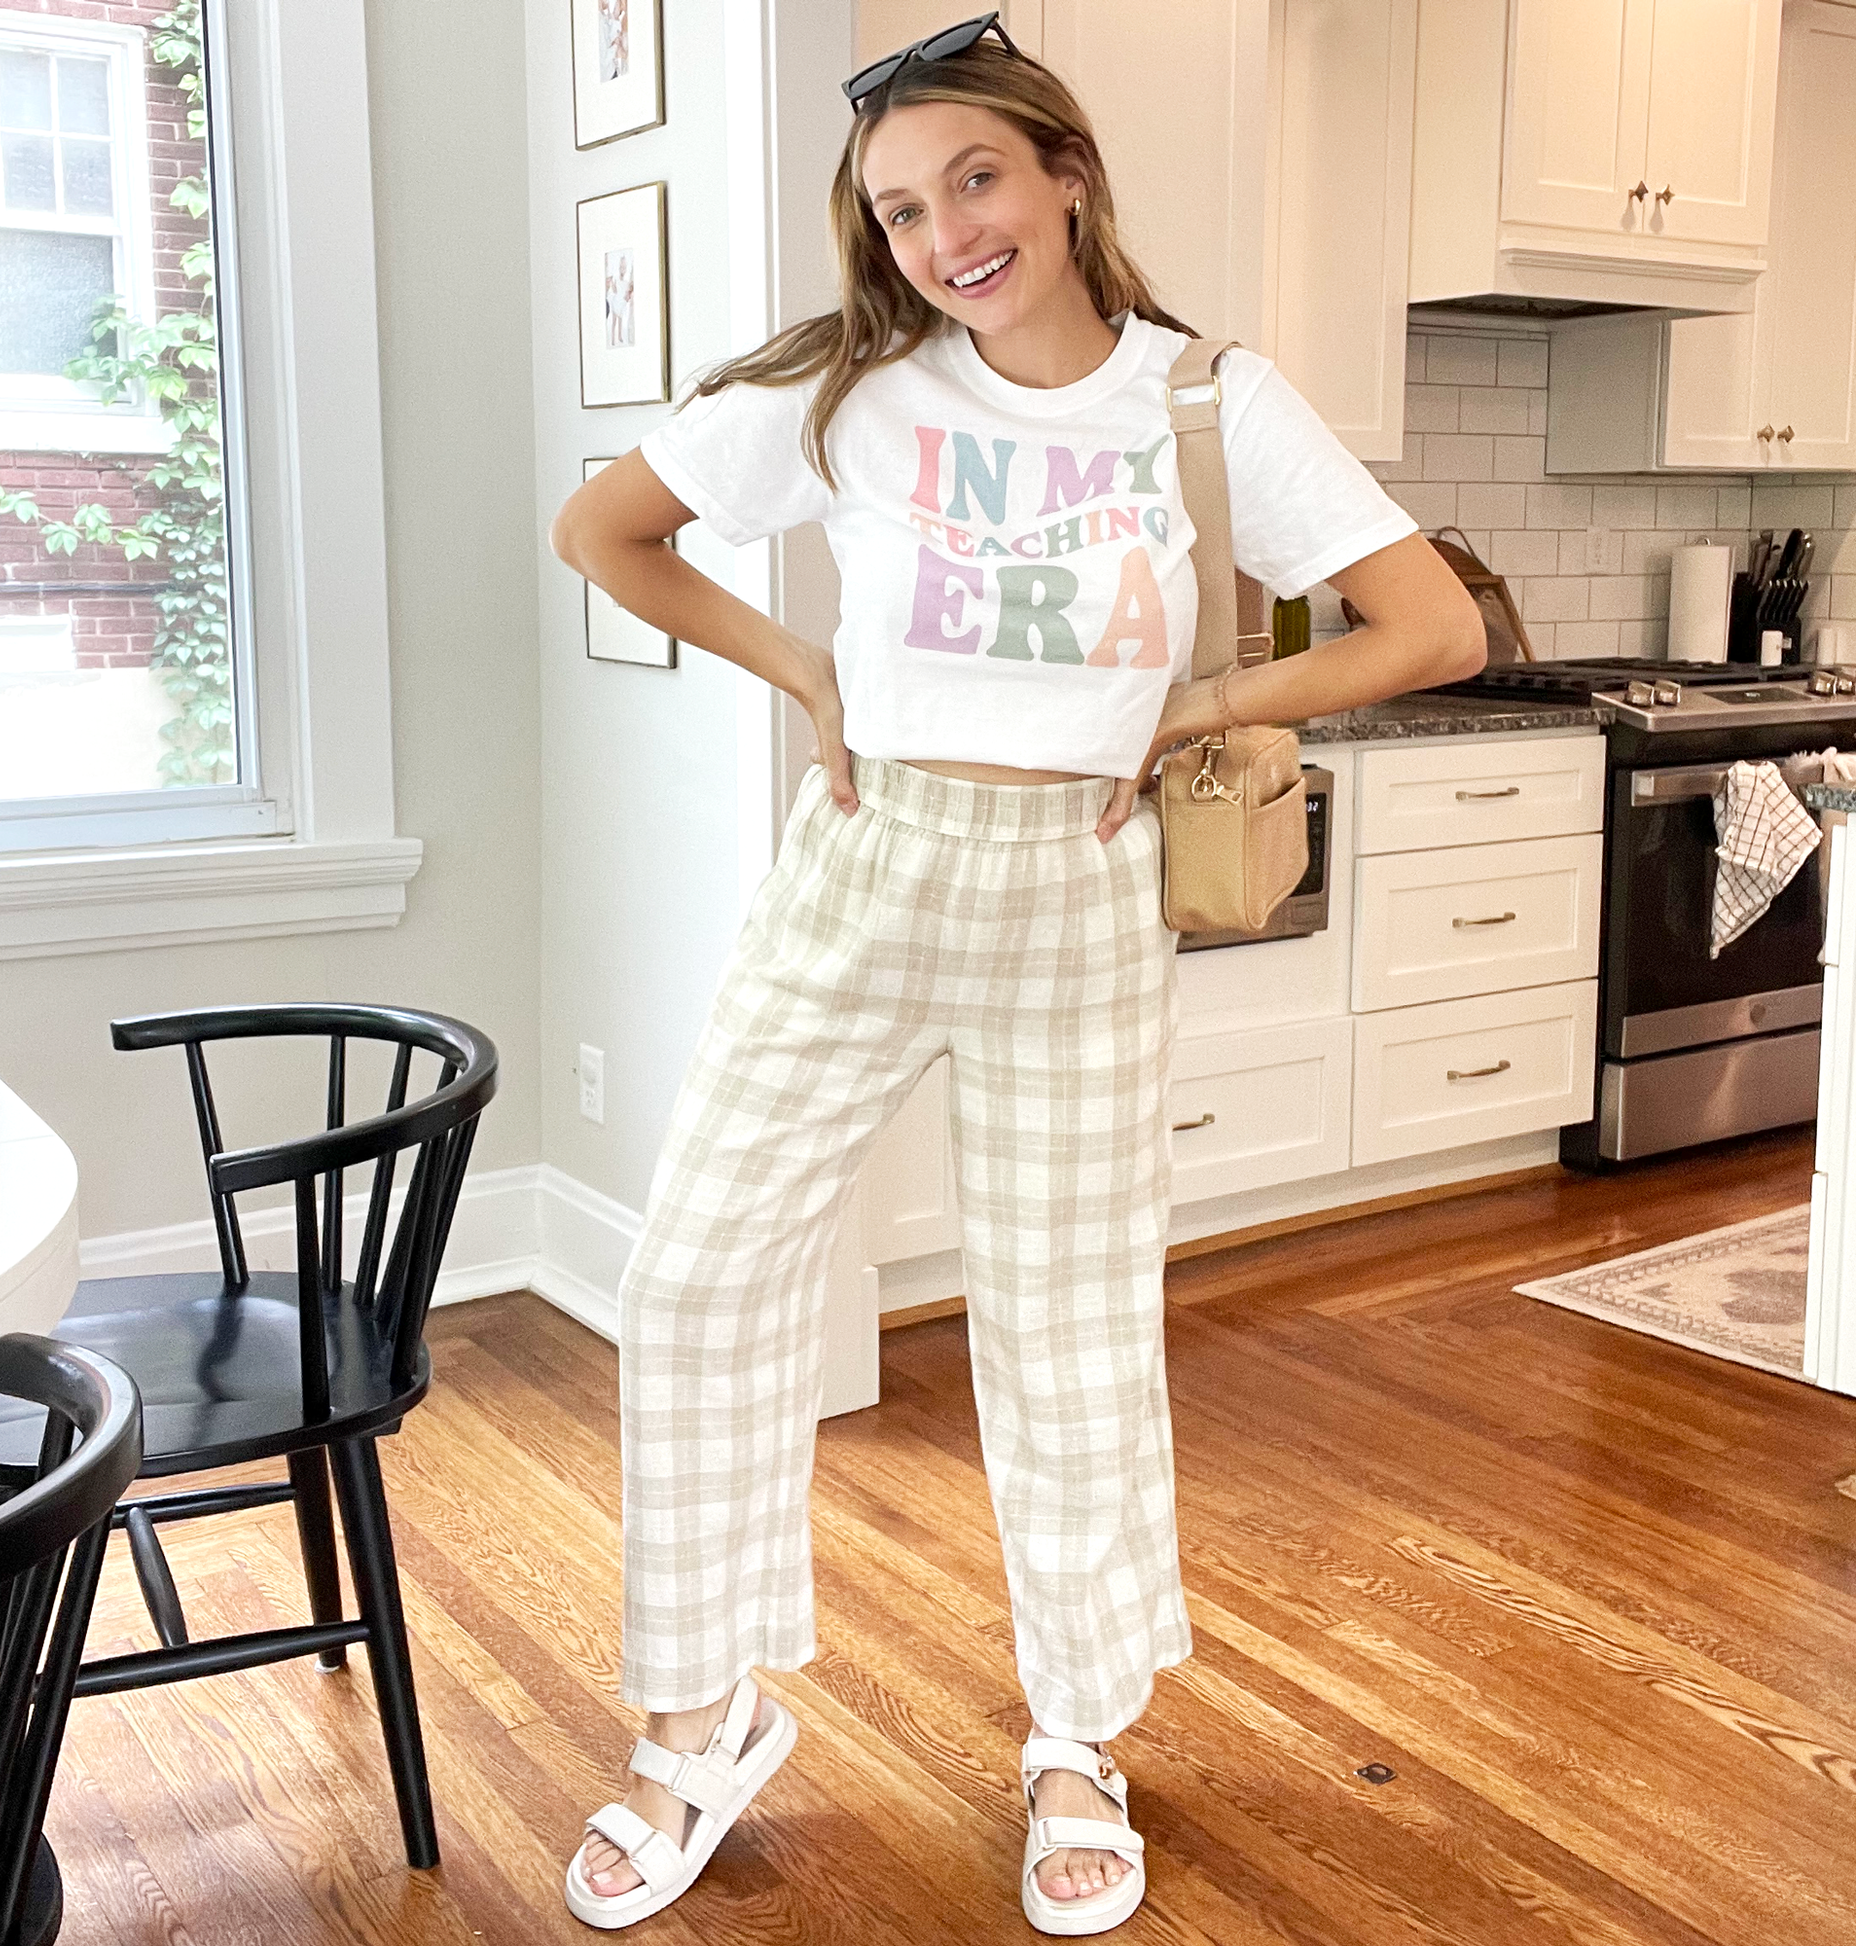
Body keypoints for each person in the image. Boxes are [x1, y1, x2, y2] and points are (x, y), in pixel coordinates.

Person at [549, 14, 1484, 1935]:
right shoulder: (851, 389)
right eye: (899, 207)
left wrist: (1201, 697)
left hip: (1078, 887)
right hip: (866, 872)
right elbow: (607, 529)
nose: (942, 231)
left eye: (974, 177)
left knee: (1063, 1327)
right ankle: (697, 1715)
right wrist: (813, 676)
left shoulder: (1204, 399)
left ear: (1064, 176)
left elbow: (1430, 625)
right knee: (696, 1266)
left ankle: (1075, 1727)